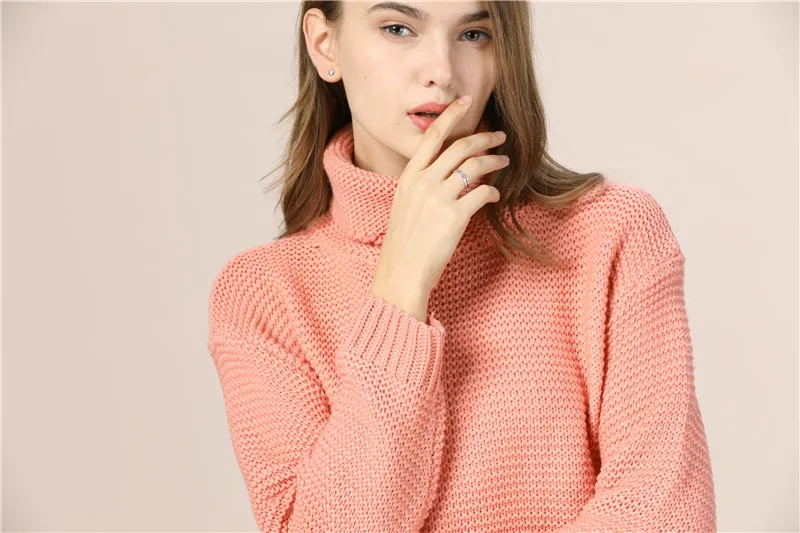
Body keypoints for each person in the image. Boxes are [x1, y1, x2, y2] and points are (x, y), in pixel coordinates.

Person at [206, 1, 717, 532]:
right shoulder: (263, 294)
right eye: (398, 28)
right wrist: (400, 289)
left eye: (474, 34)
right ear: (324, 44)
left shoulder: (610, 233)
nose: (442, 71)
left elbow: (665, 514)